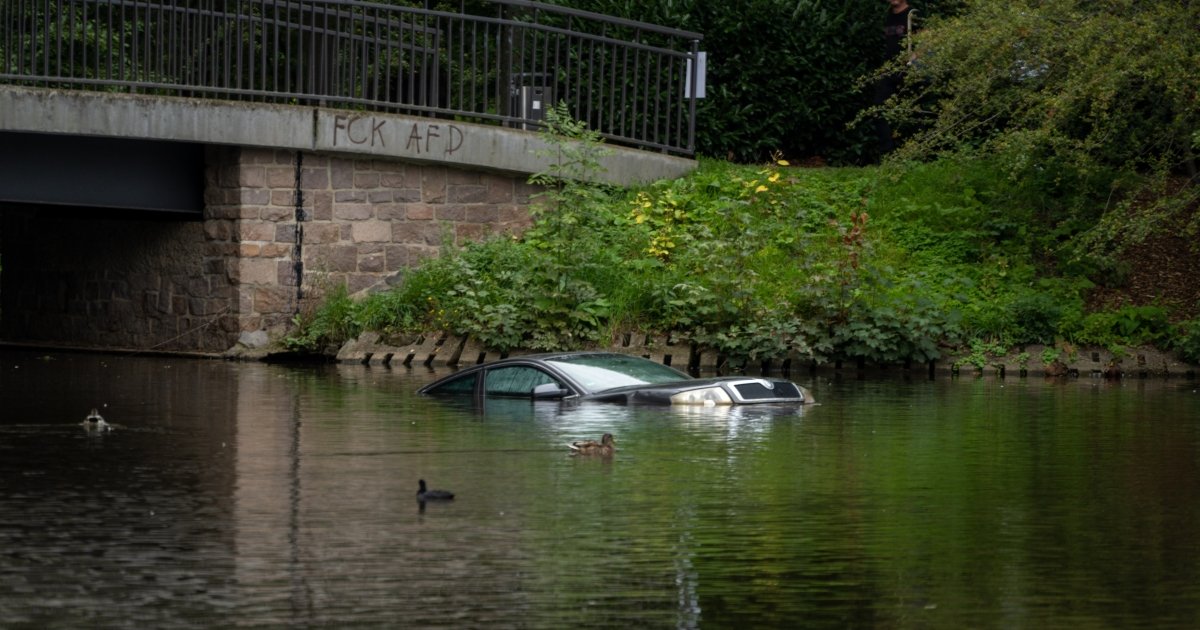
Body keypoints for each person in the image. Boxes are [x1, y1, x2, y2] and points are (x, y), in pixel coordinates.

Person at [875, 0, 917, 156]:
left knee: (913, 111)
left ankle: (914, 153)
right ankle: (888, 154)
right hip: (889, 69)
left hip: (909, 70)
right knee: (878, 108)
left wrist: (913, 57)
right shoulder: (887, 16)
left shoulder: (913, 15)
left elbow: (928, 40)